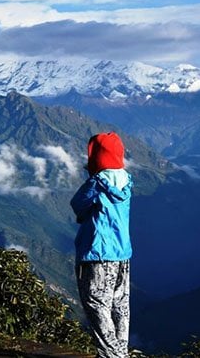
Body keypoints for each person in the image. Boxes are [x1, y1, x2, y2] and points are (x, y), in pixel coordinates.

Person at [71, 132, 133, 358]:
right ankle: (121, 352)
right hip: (122, 253)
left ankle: (111, 355)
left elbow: (77, 204)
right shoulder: (126, 181)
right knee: (120, 305)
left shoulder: (97, 183)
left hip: (97, 253)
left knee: (96, 304)